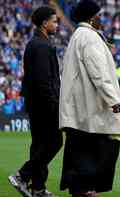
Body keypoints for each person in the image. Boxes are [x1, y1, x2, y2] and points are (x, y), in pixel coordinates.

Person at [59, 0, 120, 196]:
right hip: (91, 109)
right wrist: (114, 100)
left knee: (80, 151)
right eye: (99, 15)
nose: (102, 18)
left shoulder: (78, 35)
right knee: (97, 151)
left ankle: (81, 189)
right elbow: (99, 73)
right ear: (91, 17)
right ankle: (87, 189)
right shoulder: (89, 37)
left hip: (81, 108)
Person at [8, 6, 63, 197]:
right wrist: (53, 103)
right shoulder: (41, 45)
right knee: (55, 142)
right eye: (54, 21)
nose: (57, 24)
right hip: (44, 104)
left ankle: (38, 188)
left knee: (40, 145)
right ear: (44, 23)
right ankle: (23, 175)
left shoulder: (38, 43)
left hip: (37, 103)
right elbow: (43, 80)